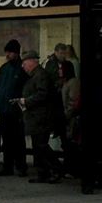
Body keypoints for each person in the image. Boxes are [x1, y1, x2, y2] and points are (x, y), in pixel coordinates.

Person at [18, 50, 63, 184]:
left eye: (24, 63)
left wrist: (27, 101)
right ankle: (43, 172)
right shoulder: (35, 76)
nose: (23, 66)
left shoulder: (41, 76)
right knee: (37, 146)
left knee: (41, 145)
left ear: (32, 62)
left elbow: (42, 94)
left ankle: (56, 169)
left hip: (41, 117)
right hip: (34, 116)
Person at [0, 40, 28, 177]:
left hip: (17, 110)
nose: (7, 55)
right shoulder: (4, 68)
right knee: (6, 139)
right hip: (4, 110)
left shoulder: (22, 69)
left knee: (18, 139)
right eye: (7, 52)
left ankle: (21, 166)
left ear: (16, 53)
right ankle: (7, 166)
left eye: (10, 52)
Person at [59, 60, 81, 178]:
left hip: (71, 118)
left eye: (61, 68)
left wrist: (67, 115)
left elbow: (73, 102)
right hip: (67, 117)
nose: (59, 70)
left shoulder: (73, 83)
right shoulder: (65, 82)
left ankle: (73, 169)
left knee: (72, 144)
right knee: (67, 144)